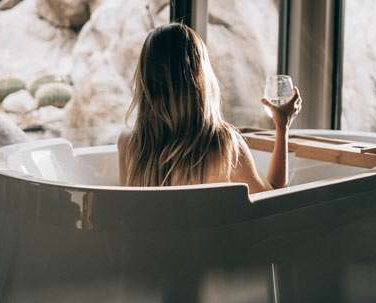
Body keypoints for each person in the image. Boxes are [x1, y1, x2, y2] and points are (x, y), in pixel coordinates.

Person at [117, 23, 302, 193]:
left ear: (145, 81)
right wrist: (282, 126)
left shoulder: (129, 144)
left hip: (155, 231)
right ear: (201, 78)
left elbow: (130, 213)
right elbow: (271, 205)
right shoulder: (224, 145)